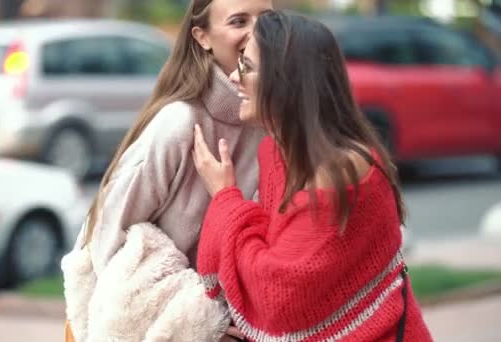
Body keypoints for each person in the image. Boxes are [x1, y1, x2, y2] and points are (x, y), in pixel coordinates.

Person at [193, 10, 432, 342]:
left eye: (247, 65)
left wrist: (226, 199)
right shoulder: (277, 153)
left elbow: (280, 298)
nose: (234, 76)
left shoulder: (339, 172)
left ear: (285, 78)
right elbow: (274, 247)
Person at [62, 0, 273, 341]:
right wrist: (200, 324)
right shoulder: (179, 123)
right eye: (238, 21)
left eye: (267, 19)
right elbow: (105, 242)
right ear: (202, 37)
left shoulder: (272, 123)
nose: (256, 33)